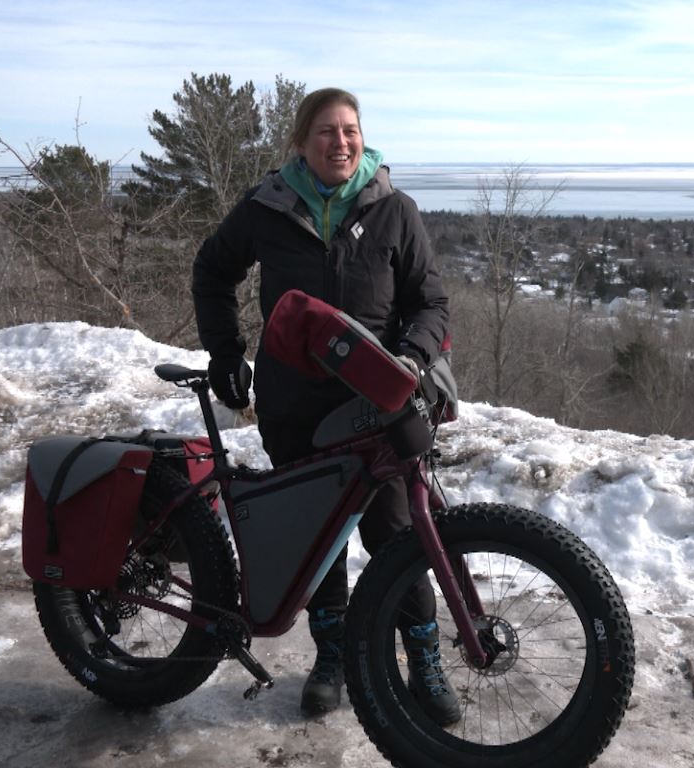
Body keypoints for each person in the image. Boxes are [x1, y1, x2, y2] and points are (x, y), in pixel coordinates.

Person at [191, 87, 460, 725]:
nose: (340, 143)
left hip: (379, 409)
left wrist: (414, 359)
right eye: (325, 132)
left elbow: (432, 303)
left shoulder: (395, 209)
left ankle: (423, 657)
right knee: (319, 541)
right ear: (300, 142)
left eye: (350, 130)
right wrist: (227, 355)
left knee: (398, 536)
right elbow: (212, 270)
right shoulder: (268, 206)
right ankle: (331, 657)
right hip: (295, 406)